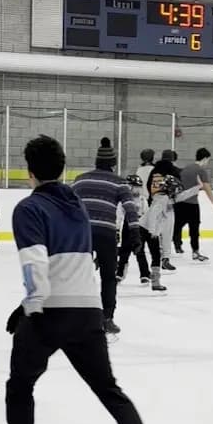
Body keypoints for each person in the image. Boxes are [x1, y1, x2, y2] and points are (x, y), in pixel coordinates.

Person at [0, 134, 173, 424]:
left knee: (20, 385)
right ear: (62, 168)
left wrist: (31, 305)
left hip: (50, 312)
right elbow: (75, 259)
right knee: (110, 391)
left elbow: (36, 261)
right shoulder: (76, 205)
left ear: (29, 172)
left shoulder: (29, 208)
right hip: (88, 310)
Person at [73, 137, 140, 336]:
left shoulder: (80, 179)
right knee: (109, 277)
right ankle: (107, 318)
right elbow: (130, 208)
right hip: (106, 233)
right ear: (113, 163)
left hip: (82, 232)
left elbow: (66, 203)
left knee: (78, 275)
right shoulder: (119, 182)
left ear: (96, 161)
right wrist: (135, 233)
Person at [173, 147, 213, 261]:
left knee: (177, 225)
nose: (207, 163)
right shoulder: (200, 171)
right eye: (208, 160)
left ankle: (176, 245)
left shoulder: (185, 169)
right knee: (194, 229)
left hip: (180, 202)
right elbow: (207, 189)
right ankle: (195, 251)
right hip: (192, 204)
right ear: (204, 158)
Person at [139, 171, 178, 293]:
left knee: (155, 255)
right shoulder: (163, 198)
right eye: (174, 188)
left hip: (150, 230)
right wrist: (152, 230)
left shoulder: (165, 198)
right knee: (129, 250)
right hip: (145, 229)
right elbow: (153, 214)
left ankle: (155, 283)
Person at [117, 173, 151, 283]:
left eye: (139, 187)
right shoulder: (124, 200)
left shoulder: (142, 200)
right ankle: (120, 273)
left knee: (140, 251)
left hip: (140, 227)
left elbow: (147, 214)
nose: (138, 189)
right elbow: (119, 215)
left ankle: (145, 274)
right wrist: (117, 229)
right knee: (124, 251)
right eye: (136, 187)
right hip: (127, 226)